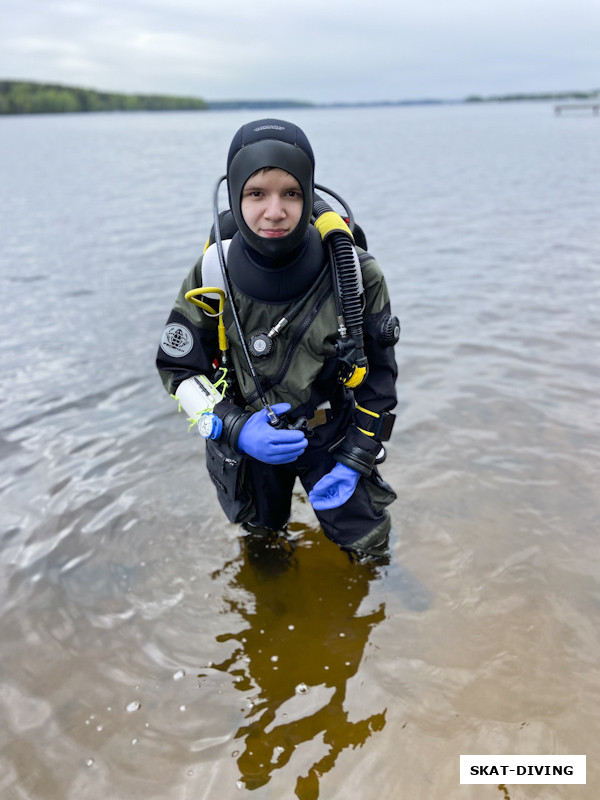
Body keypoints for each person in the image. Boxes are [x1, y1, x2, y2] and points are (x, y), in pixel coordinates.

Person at [156, 118, 399, 559]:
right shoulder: (214, 271)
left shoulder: (356, 274)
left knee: (368, 544)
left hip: (333, 435)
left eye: (291, 193)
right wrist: (232, 426)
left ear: (309, 193)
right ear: (234, 196)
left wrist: (359, 455)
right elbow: (178, 368)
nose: (274, 211)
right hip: (249, 439)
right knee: (261, 541)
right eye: (256, 194)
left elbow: (379, 380)